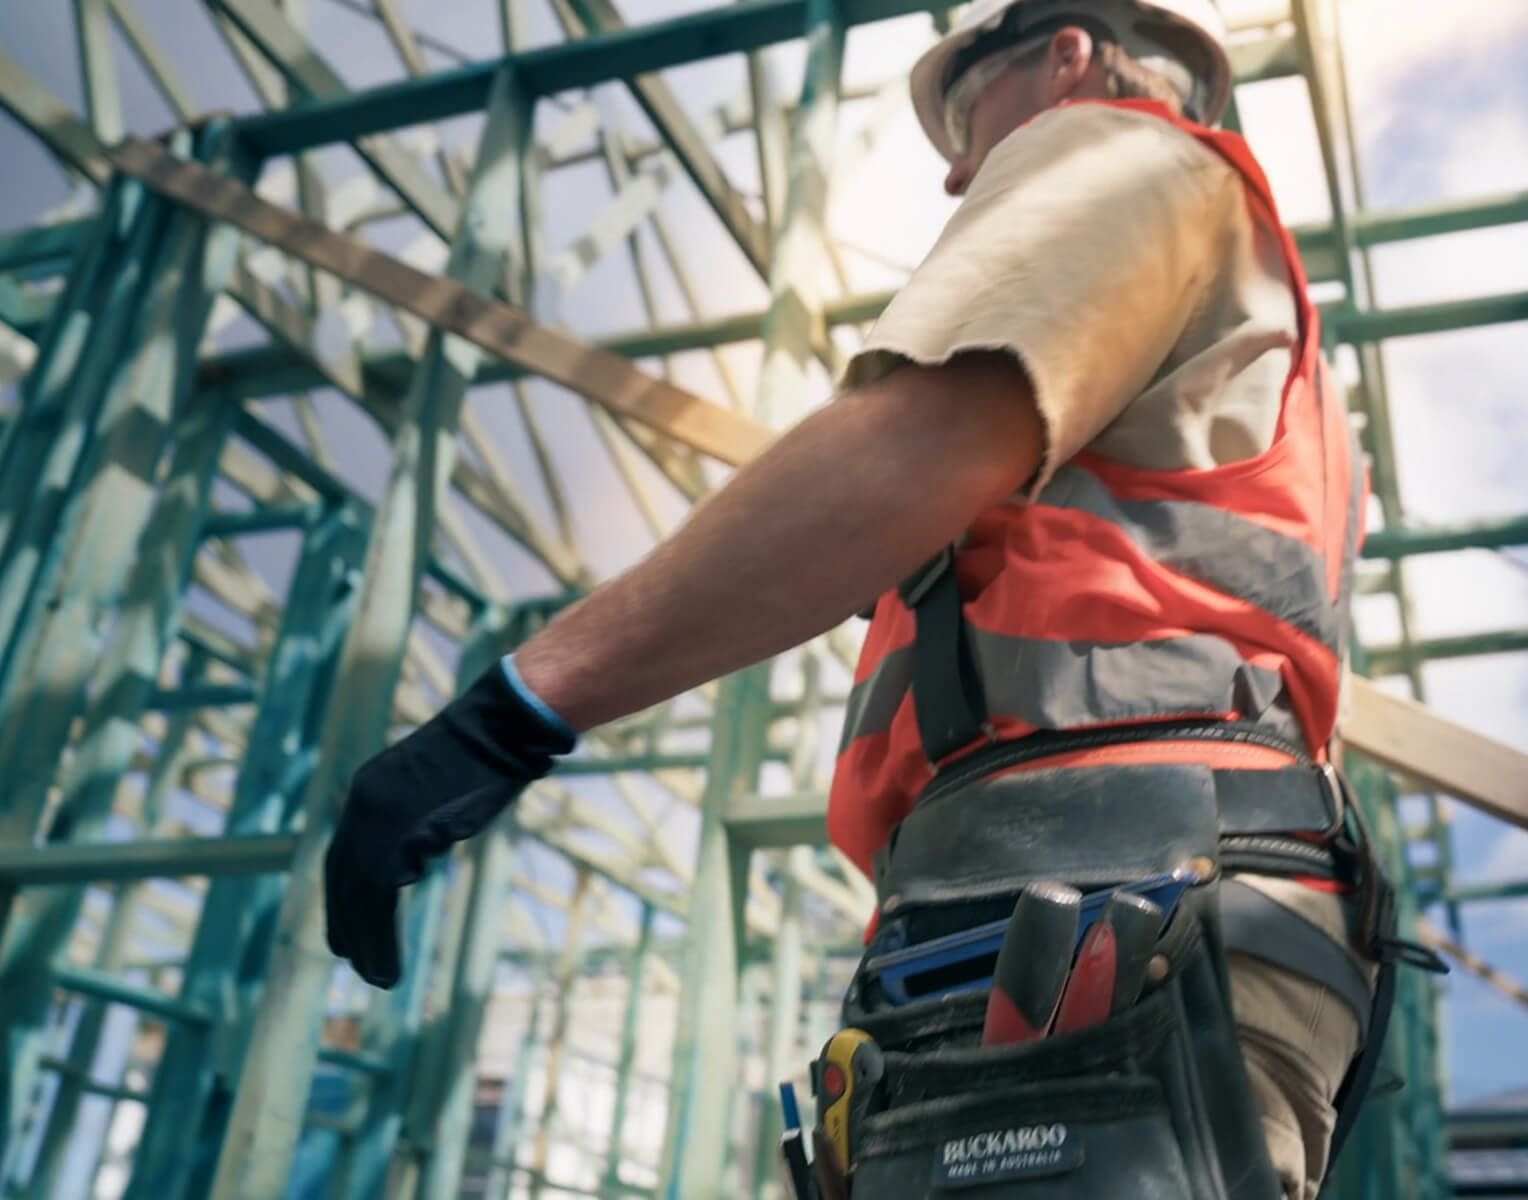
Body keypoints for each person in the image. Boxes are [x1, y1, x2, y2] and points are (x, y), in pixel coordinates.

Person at [324, 2, 1403, 1195]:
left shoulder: (1122, 154)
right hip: (1165, 900)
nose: (956, 170)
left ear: (1068, 57)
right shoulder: (1251, 344)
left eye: (968, 112)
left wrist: (514, 713)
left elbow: (911, 449)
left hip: (1106, 887)